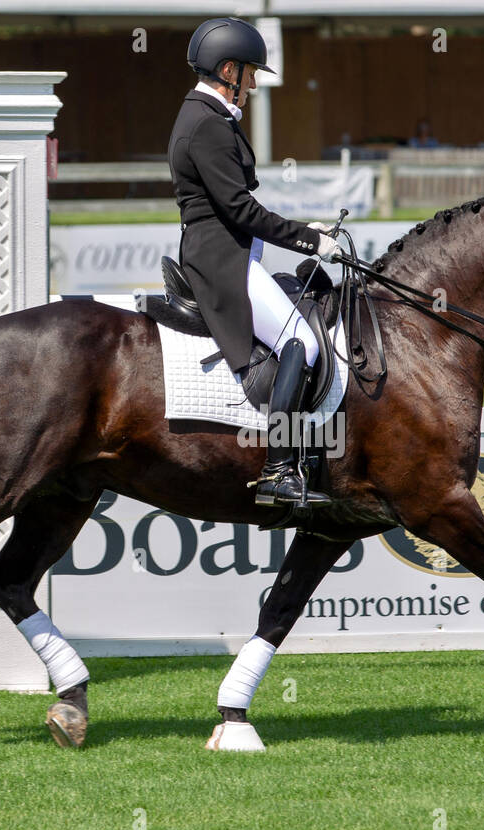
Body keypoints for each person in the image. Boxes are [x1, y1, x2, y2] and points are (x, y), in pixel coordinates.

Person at [168, 16, 341, 508]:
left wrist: (309, 232)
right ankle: (278, 470)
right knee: (300, 342)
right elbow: (240, 209)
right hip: (221, 261)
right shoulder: (206, 124)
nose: (254, 84)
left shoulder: (206, 116)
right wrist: (309, 240)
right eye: (250, 74)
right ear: (228, 69)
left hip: (227, 251)